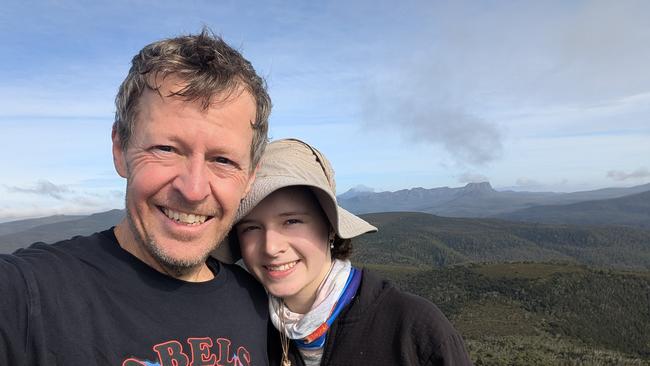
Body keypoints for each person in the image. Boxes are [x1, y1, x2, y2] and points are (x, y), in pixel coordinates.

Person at [0, 29, 272, 365]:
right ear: (120, 149)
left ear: (250, 178)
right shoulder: (28, 296)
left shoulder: (260, 306)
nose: (193, 189)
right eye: (166, 149)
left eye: (223, 160)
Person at [225, 138, 473, 365]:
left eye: (291, 221)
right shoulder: (245, 327)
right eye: (251, 227)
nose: (271, 246)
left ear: (330, 228)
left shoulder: (414, 329)